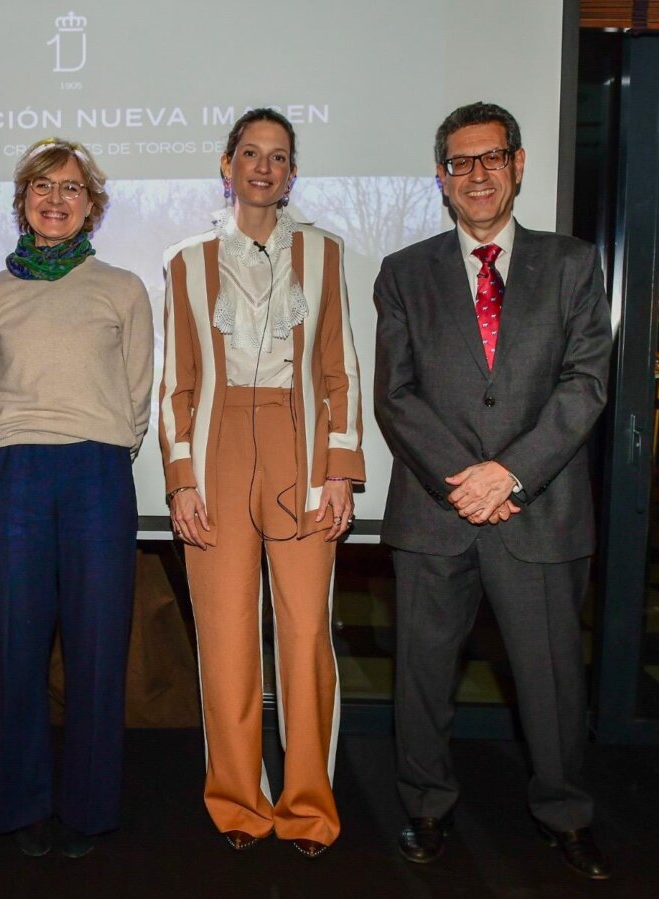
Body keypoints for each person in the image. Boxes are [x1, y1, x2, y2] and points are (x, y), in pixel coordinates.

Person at [373, 101, 613, 880]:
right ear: (440, 178)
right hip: (435, 515)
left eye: (490, 158)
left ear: (517, 164)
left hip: (538, 510)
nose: (476, 175)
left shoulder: (573, 264)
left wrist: (508, 473)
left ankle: (564, 816)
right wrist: (465, 482)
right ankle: (426, 807)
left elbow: (586, 383)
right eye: (459, 162)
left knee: (550, 684)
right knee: (422, 677)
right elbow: (396, 395)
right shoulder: (404, 272)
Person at [159, 108, 364, 858]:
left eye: (279, 156)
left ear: (291, 171)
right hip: (216, 452)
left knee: (308, 633)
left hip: (299, 449)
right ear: (227, 163)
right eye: (251, 152)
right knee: (225, 636)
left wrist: (340, 470)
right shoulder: (185, 260)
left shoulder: (325, 253)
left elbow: (341, 372)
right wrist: (180, 481)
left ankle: (309, 805)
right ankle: (238, 799)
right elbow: (175, 384)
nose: (264, 167)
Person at [0, 138, 153, 859]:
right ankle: (18, 804)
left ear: (91, 206)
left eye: (71, 189)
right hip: (14, 475)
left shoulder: (123, 288)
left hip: (99, 476)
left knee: (98, 649)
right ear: (23, 202)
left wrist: (101, 443)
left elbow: (136, 394)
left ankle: (88, 808)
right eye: (42, 187)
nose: (55, 199)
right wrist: (22, 443)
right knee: (12, 649)